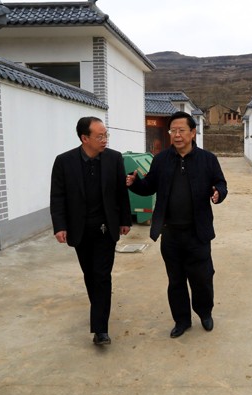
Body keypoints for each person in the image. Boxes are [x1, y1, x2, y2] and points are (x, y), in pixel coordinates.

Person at [126, 111, 227, 338]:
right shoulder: (161, 159)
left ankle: (205, 313)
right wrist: (135, 183)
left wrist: (219, 193)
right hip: (170, 233)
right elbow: (149, 186)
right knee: (176, 280)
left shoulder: (207, 159)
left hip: (197, 233)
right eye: (173, 131)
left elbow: (221, 183)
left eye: (182, 130)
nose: (177, 135)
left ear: (193, 133)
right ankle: (181, 320)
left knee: (202, 278)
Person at [50, 116, 132, 346]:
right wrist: (60, 225)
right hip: (80, 229)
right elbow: (57, 196)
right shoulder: (64, 162)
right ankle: (99, 313)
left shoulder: (114, 158)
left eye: (106, 135)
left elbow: (121, 193)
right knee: (90, 275)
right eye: (100, 136)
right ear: (84, 138)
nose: (105, 139)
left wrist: (125, 220)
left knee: (102, 276)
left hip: (106, 228)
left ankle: (100, 329)